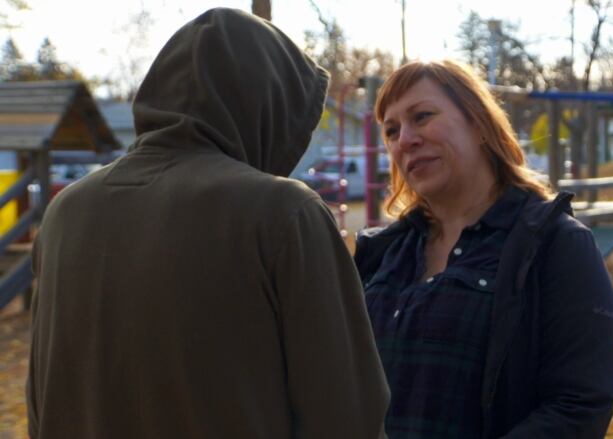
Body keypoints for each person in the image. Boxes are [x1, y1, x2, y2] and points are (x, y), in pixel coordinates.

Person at [27, 8, 389, 439]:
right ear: (268, 107)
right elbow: (348, 418)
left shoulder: (66, 212)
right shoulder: (283, 213)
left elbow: (40, 403)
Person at [354, 60, 613, 438]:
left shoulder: (555, 244)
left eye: (423, 116)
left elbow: (580, 404)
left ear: (478, 123)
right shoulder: (382, 253)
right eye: (392, 131)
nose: (405, 140)